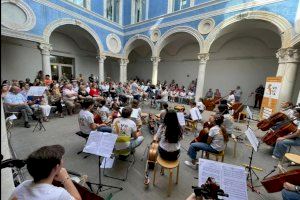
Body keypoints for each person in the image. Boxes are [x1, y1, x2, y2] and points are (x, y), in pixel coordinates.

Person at [9, 145, 82, 200]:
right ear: (56, 167)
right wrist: (66, 178)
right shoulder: (59, 194)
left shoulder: (23, 185)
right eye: (61, 159)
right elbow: (77, 199)